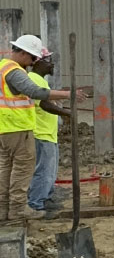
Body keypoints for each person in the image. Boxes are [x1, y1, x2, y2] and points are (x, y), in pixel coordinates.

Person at [0, 34, 84, 225]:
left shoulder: (2, 67)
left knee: (6, 170)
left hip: (6, 128)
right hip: (18, 128)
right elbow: (35, 92)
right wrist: (67, 94)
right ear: (23, 53)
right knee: (22, 171)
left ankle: (4, 210)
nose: (32, 63)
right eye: (32, 57)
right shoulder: (14, 71)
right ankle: (17, 211)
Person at [27, 48, 69, 218]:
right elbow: (43, 104)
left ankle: (46, 198)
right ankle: (36, 204)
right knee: (43, 170)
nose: (52, 65)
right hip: (41, 133)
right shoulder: (33, 79)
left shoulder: (40, 80)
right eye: (48, 61)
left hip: (48, 133)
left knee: (50, 170)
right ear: (38, 62)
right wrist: (66, 113)